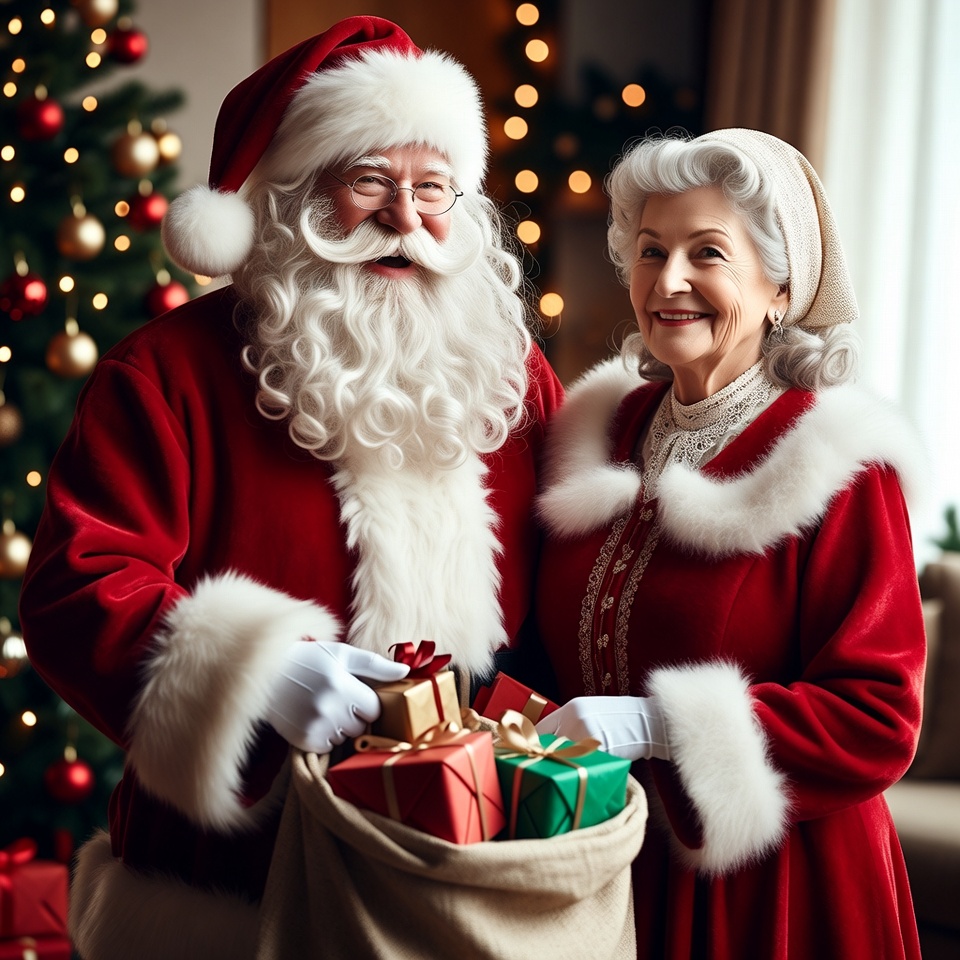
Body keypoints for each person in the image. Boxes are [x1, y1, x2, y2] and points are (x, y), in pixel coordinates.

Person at [19, 16, 562, 960]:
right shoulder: (166, 373)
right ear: (295, 196)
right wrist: (258, 672)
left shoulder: (512, 373)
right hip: (234, 876)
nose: (405, 217)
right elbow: (78, 587)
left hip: (467, 855)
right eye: (368, 180)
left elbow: (580, 578)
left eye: (433, 187)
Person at [532, 128, 926, 959]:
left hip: (771, 892)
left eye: (706, 252)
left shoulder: (837, 462)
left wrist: (658, 726)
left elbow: (879, 717)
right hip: (604, 863)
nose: (668, 280)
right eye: (650, 250)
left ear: (782, 287)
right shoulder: (599, 432)